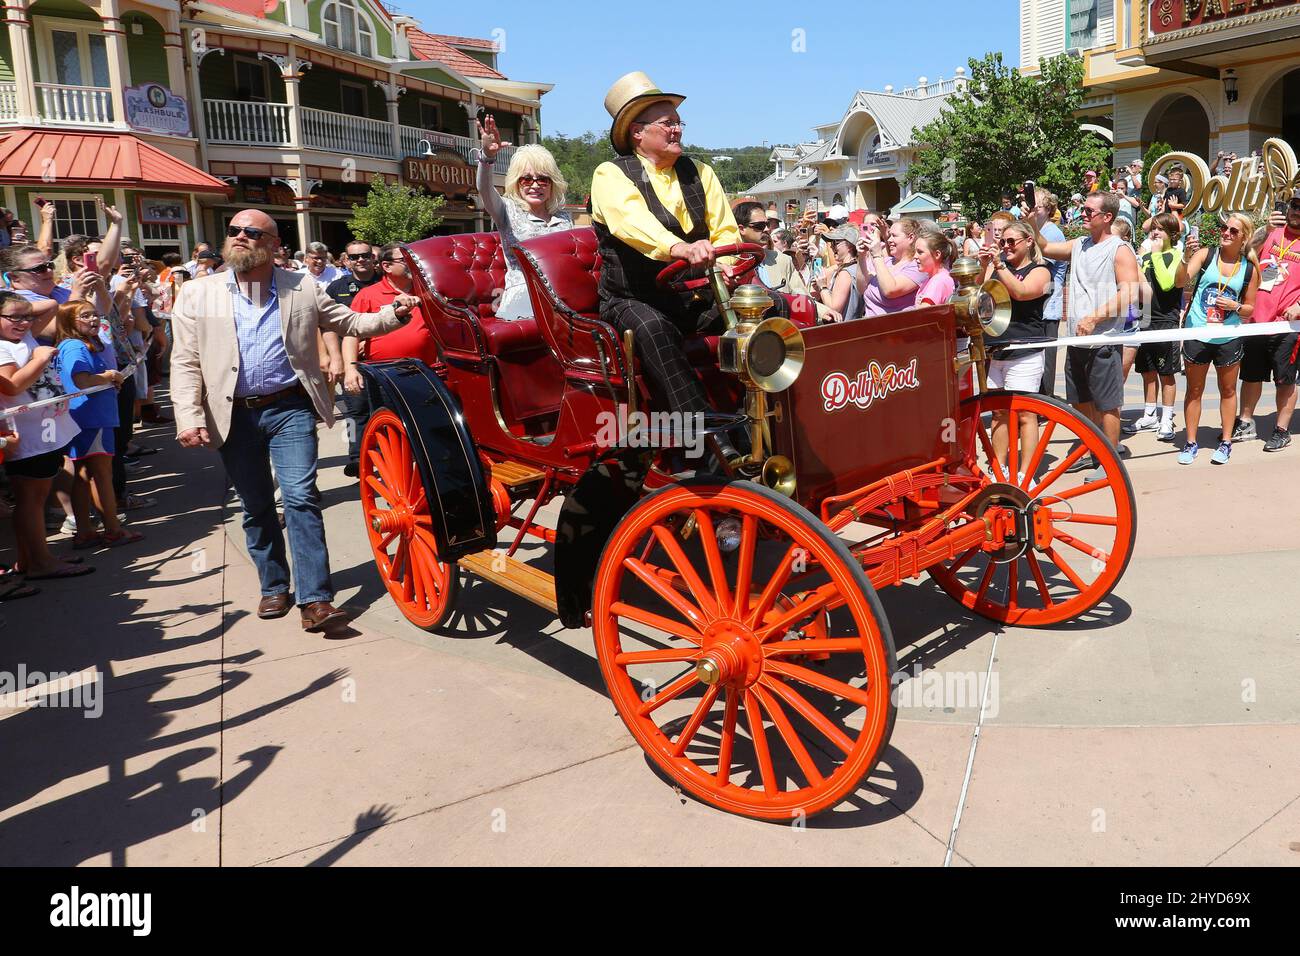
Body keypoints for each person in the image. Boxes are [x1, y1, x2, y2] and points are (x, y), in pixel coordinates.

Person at [169, 210, 419, 633]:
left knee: (300, 499)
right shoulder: (197, 293)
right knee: (256, 505)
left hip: (290, 407)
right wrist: (189, 416)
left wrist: (394, 312)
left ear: (272, 244)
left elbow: (351, 322)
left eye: (251, 232)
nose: (240, 238)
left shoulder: (301, 286)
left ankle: (316, 599)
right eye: (233, 231)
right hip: (233, 413)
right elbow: (185, 360)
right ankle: (274, 584)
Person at [590, 71, 786, 433]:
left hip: (693, 294)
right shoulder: (610, 175)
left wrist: (727, 266)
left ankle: (777, 415)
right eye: (668, 123)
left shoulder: (700, 171)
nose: (677, 130)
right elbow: (631, 223)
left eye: (679, 122)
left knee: (772, 304)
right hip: (635, 297)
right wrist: (679, 248)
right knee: (653, 329)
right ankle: (706, 439)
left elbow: (725, 228)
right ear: (637, 132)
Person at [1031, 192, 1141, 468]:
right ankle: (1094, 449)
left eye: (1090, 211)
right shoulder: (1080, 244)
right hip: (1077, 340)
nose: (1083, 213)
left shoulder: (1119, 249)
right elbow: (1044, 247)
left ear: (1107, 217)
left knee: (1107, 405)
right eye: (1083, 209)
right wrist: (1034, 223)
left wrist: (1094, 317)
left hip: (1103, 341)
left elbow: (1129, 293)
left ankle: (1109, 462)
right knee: (1081, 402)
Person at [0, 291, 90, 580]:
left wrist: (19, 313)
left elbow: (51, 305)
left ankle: (31, 559)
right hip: (26, 434)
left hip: (45, 429)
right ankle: (41, 562)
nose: (24, 321)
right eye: (14, 316)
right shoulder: (2, 346)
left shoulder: (20, 335)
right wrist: (39, 358)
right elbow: (12, 386)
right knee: (30, 498)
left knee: (34, 497)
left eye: (27, 315)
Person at [53, 299, 141, 549]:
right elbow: (81, 380)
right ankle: (112, 529)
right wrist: (109, 376)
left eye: (95, 315)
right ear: (70, 322)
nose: (93, 320)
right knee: (101, 475)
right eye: (85, 316)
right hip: (91, 418)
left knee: (84, 475)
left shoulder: (80, 344)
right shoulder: (75, 347)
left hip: (89, 416)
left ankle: (86, 532)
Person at [474, 115, 574, 321]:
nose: (535, 185)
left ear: (552, 183)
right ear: (516, 182)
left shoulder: (564, 218)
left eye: (543, 179)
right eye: (526, 179)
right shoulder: (506, 210)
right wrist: (487, 157)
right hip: (524, 296)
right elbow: (484, 189)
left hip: (563, 294)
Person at [1179, 212, 1259, 465]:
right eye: (1225, 228)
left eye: (1233, 231)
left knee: (1227, 390)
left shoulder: (1248, 268)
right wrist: (1186, 257)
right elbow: (1180, 281)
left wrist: (1235, 306)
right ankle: (1191, 442)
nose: (1226, 233)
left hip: (1228, 336)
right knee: (1194, 389)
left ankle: (1226, 442)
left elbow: (1250, 308)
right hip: (1198, 332)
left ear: (1243, 237)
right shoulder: (1206, 255)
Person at [1237, 197, 1300, 451]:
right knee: (1251, 376)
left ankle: (1281, 430)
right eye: (1295, 205)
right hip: (1257, 321)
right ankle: (1245, 422)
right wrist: (1266, 228)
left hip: (1287, 326)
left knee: (1285, 380)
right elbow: (1245, 250)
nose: (1297, 211)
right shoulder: (1272, 232)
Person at [1123, 213, 1187, 443]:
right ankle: (1149, 414)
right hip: (1144, 320)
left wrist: (1157, 254)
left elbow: (1167, 282)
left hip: (1165, 321)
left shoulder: (1175, 255)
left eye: (1160, 229)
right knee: (1147, 371)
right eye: (1154, 229)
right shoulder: (1147, 255)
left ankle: (1167, 417)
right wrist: (1143, 259)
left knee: (1166, 373)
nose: (1155, 232)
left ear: (1172, 234)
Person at [1031, 190, 1069, 398]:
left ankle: (1045, 403)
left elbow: (1039, 265)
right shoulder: (1033, 230)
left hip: (1048, 307)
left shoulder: (1052, 232)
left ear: (1048, 209)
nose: (1032, 209)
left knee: (1046, 360)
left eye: (1037, 206)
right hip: (1035, 306)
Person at [856, 217, 925, 316]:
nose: (889, 240)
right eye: (889, 235)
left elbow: (890, 290)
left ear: (911, 237)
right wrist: (862, 256)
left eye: (894, 236)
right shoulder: (886, 262)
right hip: (871, 327)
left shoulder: (918, 267)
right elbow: (862, 288)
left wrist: (877, 255)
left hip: (896, 328)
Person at [814, 224, 862, 320]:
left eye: (835, 243)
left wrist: (822, 287)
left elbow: (834, 308)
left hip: (844, 329)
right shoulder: (856, 266)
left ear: (850, 245)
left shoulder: (845, 273)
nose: (832, 247)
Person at [914, 230, 955, 306]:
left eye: (920, 252)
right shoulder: (934, 278)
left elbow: (922, 314)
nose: (915, 256)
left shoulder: (938, 280)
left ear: (937, 254)